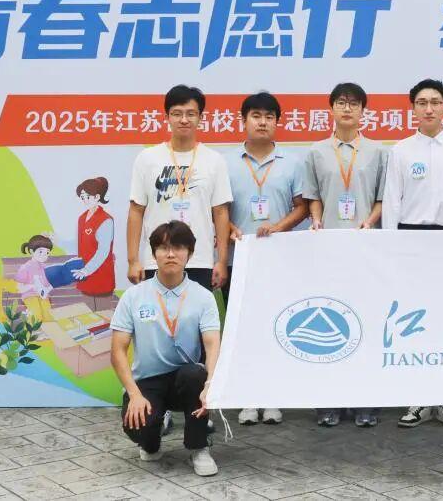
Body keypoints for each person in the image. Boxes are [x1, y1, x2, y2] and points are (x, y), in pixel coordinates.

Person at [127, 85, 232, 434]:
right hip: (157, 261)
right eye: (177, 113)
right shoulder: (148, 159)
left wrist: (220, 260)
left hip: (198, 260)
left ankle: (199, 407)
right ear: (167, 117)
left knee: (198, 336)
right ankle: (160, 405)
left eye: (190, 113)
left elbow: (220, 213)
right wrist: (133, 258)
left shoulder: (214, 161)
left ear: (201, 117)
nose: (184, 119)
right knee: (153, 335)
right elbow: (136, 210)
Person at [383, 78, 443, 429]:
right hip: (412, 240)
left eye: (435, 101)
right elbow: (392, 203)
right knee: (416, 320)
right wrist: (392, 248)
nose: (429, 108)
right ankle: (418, 398)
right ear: (413, 108)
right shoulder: (401, 151)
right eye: (421, 102)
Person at [303, 82, 388, 427]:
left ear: (363, 110)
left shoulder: (378, 152)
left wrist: (370, 221)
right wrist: (316, 220)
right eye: (341, 102)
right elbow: (313, 196)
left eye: (354, 103)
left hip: (365, 249)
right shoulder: (317, 152)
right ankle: (330, 399)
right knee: (332, 325)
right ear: (332, 109)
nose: (347, 109)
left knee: (365, 323)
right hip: (329, 250)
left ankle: (365, 400)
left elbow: (382, 198)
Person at [110, 221, 221, 477]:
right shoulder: (133, 296)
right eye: (163, 248)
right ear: (154, 254)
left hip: (186, 379)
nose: (171, 254)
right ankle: (151, 440)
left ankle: (199, 447)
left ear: (189, 253)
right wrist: (134, 394)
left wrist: (210, 385)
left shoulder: (203, 296)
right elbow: (117, 351)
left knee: (196, 375)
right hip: (147, 381)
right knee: (140, 428)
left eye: (178, 247)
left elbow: (212, 344)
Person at [225, 91, 308, 426]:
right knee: (242, 330)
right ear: (243, 120)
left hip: (279, 260)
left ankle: (273, 396)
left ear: (277, 122)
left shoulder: (293, 163)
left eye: (269, 117)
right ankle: (246, 397)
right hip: (238, 260)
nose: (262, 122)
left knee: (277, 327)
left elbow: (302, 207)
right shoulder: (226, 163)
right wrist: (230, 229)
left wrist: (278, 227)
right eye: (256, 116)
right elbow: (218, 209)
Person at [71, 177, 117, 302]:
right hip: (84, 277)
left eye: (87, 196)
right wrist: (55, 240)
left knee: (104, 312)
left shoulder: (106, 220)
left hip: (101, 277)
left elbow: (103, 251)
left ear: (97, 197)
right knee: (86, 312)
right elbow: (79, 244)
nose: (84, 200)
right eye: (82, 197)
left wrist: (87, 270)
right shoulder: (82, 218)